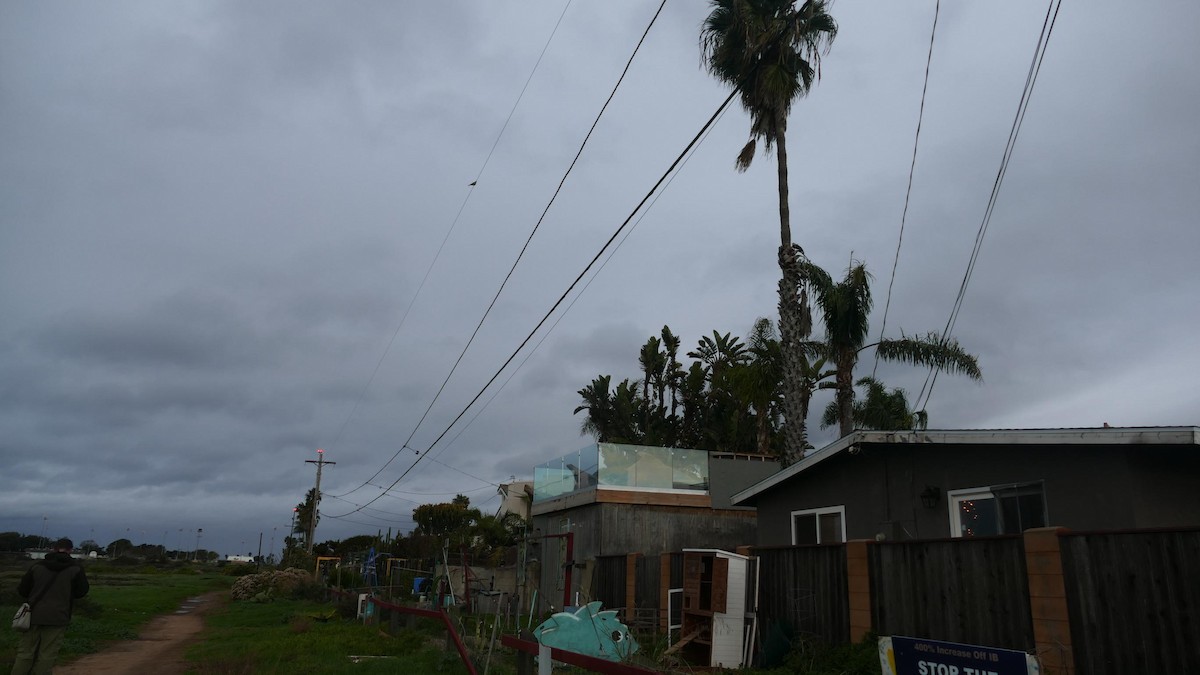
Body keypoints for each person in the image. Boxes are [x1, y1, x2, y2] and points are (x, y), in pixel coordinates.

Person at [11, 538, 89, 675]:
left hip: (33, 615)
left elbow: (22, 590)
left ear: (53, 548)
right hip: (58, 616)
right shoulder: (76, 569)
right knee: (47, 655)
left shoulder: (37, 566)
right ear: (70, 550)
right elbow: (82, 592)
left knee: (25, 654)